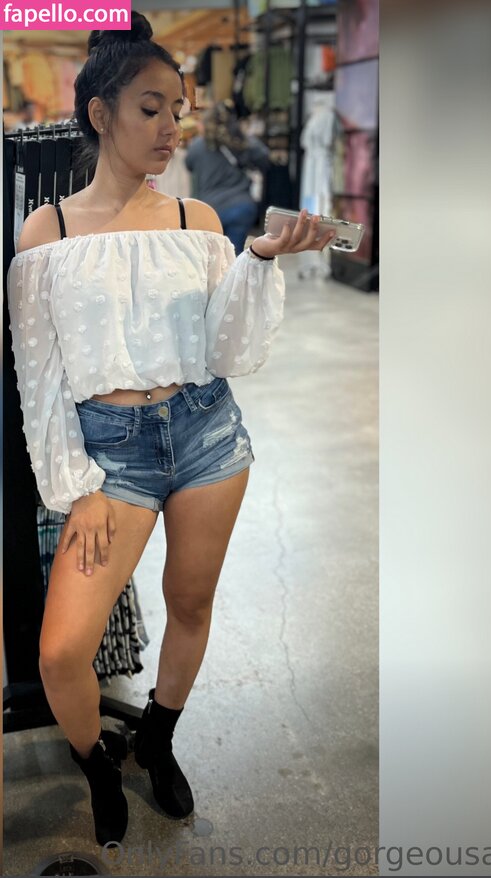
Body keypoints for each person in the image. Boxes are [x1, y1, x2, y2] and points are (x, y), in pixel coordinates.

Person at [6, 12, 333, 847]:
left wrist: (259, 261)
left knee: (192, 601)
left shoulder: (196, 221)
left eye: (177, 111)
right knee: (60, 652)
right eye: (150, 108)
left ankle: (158, 734)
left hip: (206, 434)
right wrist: (75, 487)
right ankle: (96, 762)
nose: (170, 128)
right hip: (109, 456)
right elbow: (40, 380)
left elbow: (227, 350)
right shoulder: (48, 232)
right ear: (99, 113)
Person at [185, 99, 270, 254]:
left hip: (209, 210)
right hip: (241, 207)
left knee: (211, 259)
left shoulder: (198, 146)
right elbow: (264, 157)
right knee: (233, 257)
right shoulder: (241, 142)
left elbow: (189, 164)